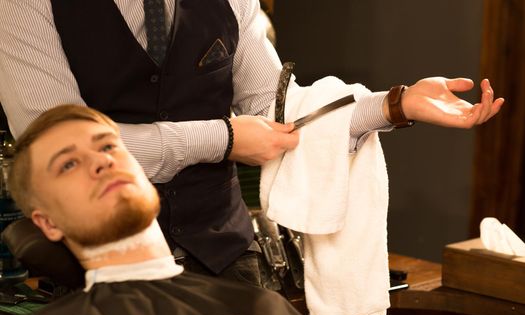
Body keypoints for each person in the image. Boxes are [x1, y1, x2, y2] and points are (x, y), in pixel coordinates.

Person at [0, 0, 504, 286]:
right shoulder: (26, 5)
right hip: (96, 266)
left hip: (223, 255)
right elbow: (54, 143)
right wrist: (221, 138)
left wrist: (396, 105)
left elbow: (278, 113)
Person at [0, 104, 332, 315]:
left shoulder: (260, 312)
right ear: (48, 223)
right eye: (68, 163)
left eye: (108, 146)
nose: (102, 161)